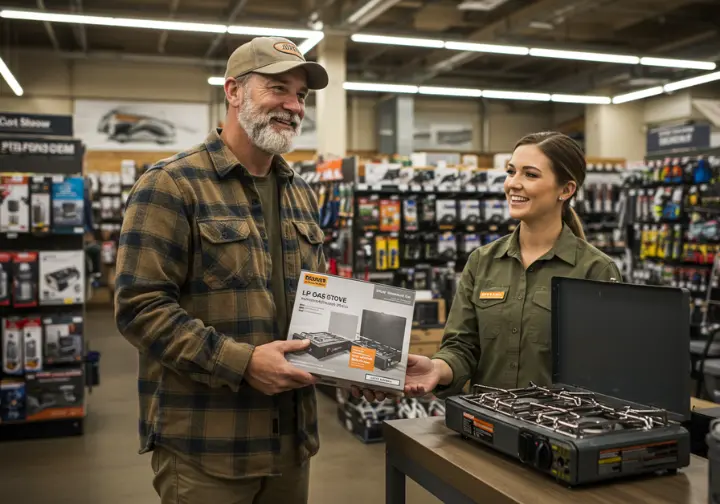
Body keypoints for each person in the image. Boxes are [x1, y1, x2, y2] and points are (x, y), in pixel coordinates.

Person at [114, 36, 329, 504]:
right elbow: (139, 307)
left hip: (293, 443)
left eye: (301, 96)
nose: (293, 106)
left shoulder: (302, 195)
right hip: (208, 446)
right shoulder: (171, 185)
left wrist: (353, 367)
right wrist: (244, 362)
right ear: (233, 91)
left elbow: (319, 301)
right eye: (278, 89)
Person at [355, 131, 623, 403]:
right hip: (487, 426)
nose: (513, 184)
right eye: (511, 171)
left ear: (565, 190)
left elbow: (603, 372)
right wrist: (436, 368)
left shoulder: (595, 270)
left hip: (560, 431)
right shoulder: (482, 261)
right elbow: (462, 347)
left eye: (530, 175)